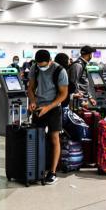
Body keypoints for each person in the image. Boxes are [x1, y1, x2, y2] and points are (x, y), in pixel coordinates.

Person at [28, 50, 69, 185]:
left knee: (54, 138)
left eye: (43, 65)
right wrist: (33, 101)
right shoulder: (35, 68)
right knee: (36, 138)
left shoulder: (60, 71)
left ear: (50, 61)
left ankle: (52, 172)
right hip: (39, 108)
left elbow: (63, 95)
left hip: (53, 108)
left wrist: (48, 107)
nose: (41, 67)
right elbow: (31, 88)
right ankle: (38, 168)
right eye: (39, 65)